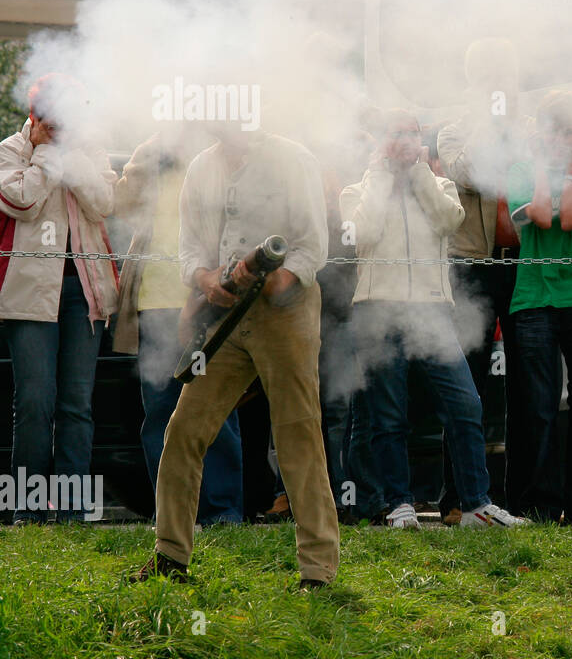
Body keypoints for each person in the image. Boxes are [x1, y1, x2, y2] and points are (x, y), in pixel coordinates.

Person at [129, 121, 337, 588]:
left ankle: (318, 569)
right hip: (224, 315)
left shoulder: (293, 157)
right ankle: (170, 557)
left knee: (297, 434)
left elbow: (311, 246)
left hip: (286, 312)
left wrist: (281, 279)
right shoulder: (202, 167)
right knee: (184, 430)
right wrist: (207, 282)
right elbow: (191, 253)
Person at [344, 110, 526, 530]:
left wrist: (420, 171)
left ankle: (476, 504)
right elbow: (363, 232)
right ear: (380, 141)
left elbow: (449, 221)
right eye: (396, 134)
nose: (405, 141)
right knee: (388, 416)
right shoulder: (358, 190)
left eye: (412, 134)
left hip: (432, 310)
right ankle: (398, 505)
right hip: (377, 309)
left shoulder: (440, 185)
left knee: (465, 404)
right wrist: (381, 174)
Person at [0, 74, 117, 524]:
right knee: (34, 400)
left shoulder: (89, 150)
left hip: (83, 292)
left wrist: (73, 158)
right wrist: (47, 155)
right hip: (29, 295)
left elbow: (105, 202)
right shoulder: (11, 150)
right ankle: (27, 513)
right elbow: (21, 202)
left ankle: (72, 514)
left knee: (76, 403)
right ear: (35, 115)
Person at [114, 126, 243, 526]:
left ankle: (222, 512)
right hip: (153, 305)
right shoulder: (152, 150)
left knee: (216, 412)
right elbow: (121, 203)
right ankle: (171, 514)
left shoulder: (220, 153)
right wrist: (152, 151)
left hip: (207, 302)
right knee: (160, 415)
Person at [438, 39, 531, 515]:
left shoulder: (531, 128)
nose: (498, 82)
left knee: (527, 383)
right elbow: (472, 172)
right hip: (471, 265)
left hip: (522, 262)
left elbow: (531, 178)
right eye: (487, 73)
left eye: (504, 71)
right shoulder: (455, 131)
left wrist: (511, 127)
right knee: (466, 380)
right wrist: (487, 121)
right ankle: (456, 497)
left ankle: (522, 499)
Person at [506, 91, 572, 523]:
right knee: (541, 408)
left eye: (570, 131)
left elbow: (568, 218)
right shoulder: (518, 172)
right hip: (533, 301)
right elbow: (542, 221)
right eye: (554, 130)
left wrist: (566, 170)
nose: (561, 138)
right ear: (538, 132)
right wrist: (540, 168)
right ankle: (544, 505)